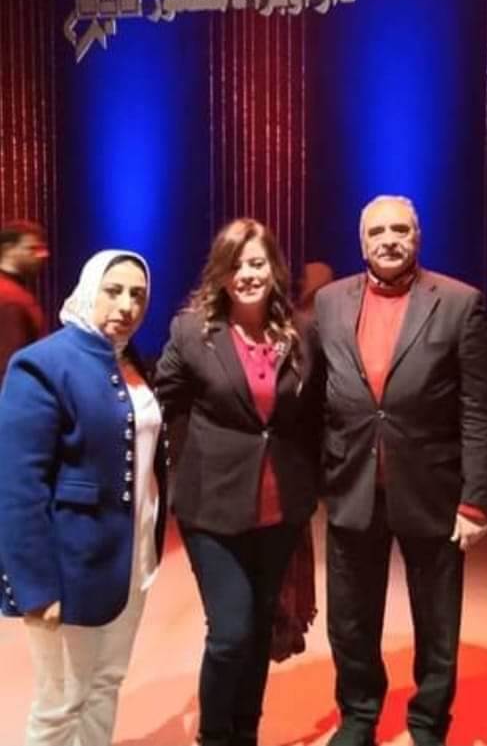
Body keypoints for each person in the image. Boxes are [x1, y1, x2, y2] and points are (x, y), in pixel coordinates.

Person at [314, 194, 487, 746]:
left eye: (400, 230)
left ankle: (428, 721)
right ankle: (359, 715)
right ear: (361, 242)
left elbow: (478, 407)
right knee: (350, 618)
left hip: (432, 488)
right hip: (353, 486)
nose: (389, 240)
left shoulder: (460, 302)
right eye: (377, 232)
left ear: (418, 237)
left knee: (437, 621)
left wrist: (475, 499)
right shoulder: (328, 301)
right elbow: (315, 394)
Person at [155, 218, 322, 746]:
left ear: (274, 268)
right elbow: (165, 405)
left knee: (261, 628)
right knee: (230, 632)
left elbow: (312, 413)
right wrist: (185, 466)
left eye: (256, 262)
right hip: (212, 507)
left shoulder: (300, 332)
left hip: (280, 507)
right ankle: (213, 735)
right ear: (220, 274)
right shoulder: (192, 331)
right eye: (236, 265)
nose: (247, 274)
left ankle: (246, 732)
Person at [0, 249, 168, 746]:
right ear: (88, 289)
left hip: (132, 560)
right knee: (61, 704)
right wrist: (35, 586)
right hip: (71, 567)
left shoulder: (129, 361)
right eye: (113, 291)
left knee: (106, 685)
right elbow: (18, 488)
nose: (126, 305)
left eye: (138, 295)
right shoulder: (43, 365)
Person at [0, 219, 49, 383]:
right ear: (8, 250)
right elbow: (9, 363)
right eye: (33, 249)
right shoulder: (11, 298)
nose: (44, 254)